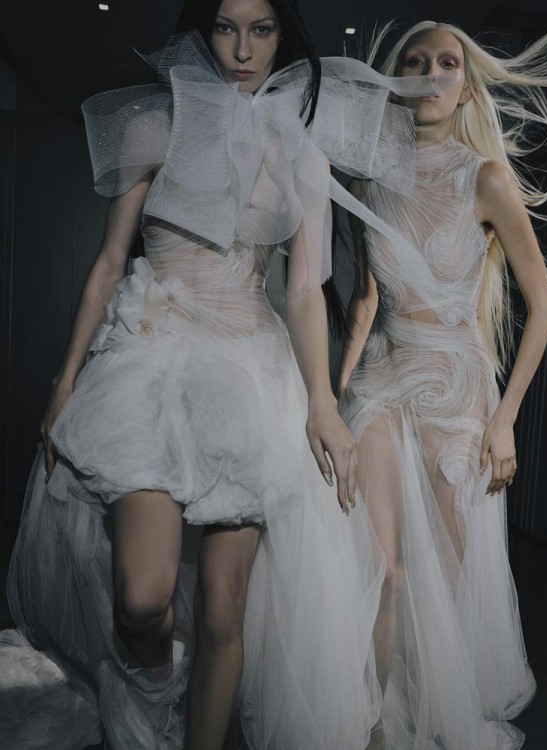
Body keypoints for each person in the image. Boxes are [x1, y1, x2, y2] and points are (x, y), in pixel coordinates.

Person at [0, 3, 451, 749]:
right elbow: (108, 264)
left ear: (282, 36)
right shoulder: (154, 128)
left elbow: (303, 290)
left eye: (260, 29)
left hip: (248, 372)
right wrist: (64, 380)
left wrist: (320, 402)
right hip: (149, 364)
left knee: (221, 610)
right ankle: (155, 692)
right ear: (200, 32)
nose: (242, 49)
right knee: (141, 600)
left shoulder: (302, 148)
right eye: (225, 27)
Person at [338, 20, 547, 750]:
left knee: (444, 588)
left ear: (465, 86)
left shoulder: (485, 178)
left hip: (457, 395)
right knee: (382, 568)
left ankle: (429, 723)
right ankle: (373, 730)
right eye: (415, 61)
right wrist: (330, 397)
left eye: (446, 63)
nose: (430, 72)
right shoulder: (368, 179)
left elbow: (542, 306)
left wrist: (505, 419)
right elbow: (364, 300)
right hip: (382, 384)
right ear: (396, 81)